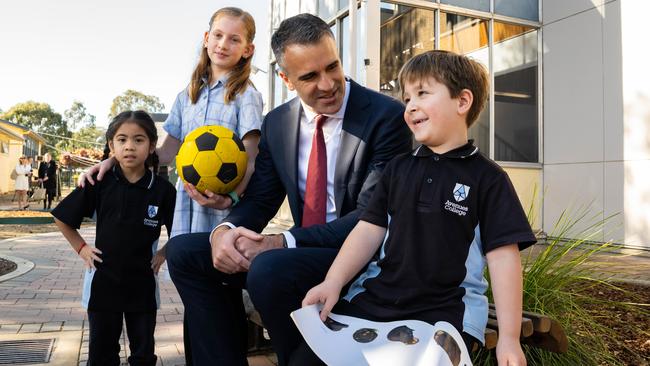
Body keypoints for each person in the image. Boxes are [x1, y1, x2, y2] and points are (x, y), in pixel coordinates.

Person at [165, 13, 413, 365]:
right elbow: (262, 197)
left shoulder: (386, 117)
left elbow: (371, 216)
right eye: (310, 76)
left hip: (361, 255)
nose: (327, 84)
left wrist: (282, 242)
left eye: (332, 67)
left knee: (269, 268)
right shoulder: (278, 123)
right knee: (185, 253)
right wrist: (226, 230)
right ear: (286, 78)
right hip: (301, 252)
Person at [302, 50, 537, 365]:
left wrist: (509, 339)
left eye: (422, 93)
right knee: (307, 358)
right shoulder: (397, 169)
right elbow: (367, 231)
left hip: (445, 313)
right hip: (374, 300)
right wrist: (333, 281)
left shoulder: (489, 179)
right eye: (407, 97)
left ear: (462, 101)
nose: (410, 105)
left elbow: (503, 259)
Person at [79, 7, 263, 363]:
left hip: (223, 213)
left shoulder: (246, 95)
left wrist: (232, 199)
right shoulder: (187, 96)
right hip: (188, 210)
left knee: (222, 293)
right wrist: (113, 158)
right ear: (206, 39)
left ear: (247, 50)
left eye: (235, 39)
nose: (224, 44)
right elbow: (164, 153)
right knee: (194, 293)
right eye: (219, 35)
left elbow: (251, 158)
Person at [52, 111, 176, 366]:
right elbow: (62, 218)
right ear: (112, 145)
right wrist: (82, 248)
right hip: (103, 285)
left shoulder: (163, 190)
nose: (129, 146)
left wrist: (163, 253)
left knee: (143, 355)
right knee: (101, 355)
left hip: (142, 287)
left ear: (152, 146)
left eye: (139, 140)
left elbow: (180, 232)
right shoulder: (99, 182)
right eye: (122, 139)